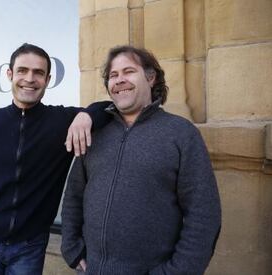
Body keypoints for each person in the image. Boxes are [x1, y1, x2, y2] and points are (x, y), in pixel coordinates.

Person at [0, 43, 110, 275]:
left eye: (38, 72)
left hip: (29, 245)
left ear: (48, 79)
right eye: (22, 71)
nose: (29, 79)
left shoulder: (61, 121)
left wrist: (86, 115)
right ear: (10, 74)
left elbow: (110, 108)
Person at [61, 45, 221, 275]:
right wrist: (71, 248)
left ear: (151, 77)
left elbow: (204, 213)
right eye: (113, 75)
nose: (119, 80)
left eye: (128, 71)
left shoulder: (181, 134)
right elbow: (74, 196)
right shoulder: (95, 133)